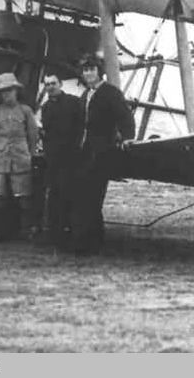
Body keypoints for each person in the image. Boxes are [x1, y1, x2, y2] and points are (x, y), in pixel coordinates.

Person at [70, 55, 135, 255]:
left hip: (102, 152)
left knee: (93, 196)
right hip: (84, 152)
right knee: (83, 196)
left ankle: (89, 243)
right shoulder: (86, 95)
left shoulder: (110, 93)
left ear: (99, 71)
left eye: (92, 70)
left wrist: (128, 137)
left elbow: (125, 116)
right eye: (85, 70)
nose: (88, 74)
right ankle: (91, 240)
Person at [0, 72, 38, 243]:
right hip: (1, 158)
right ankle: (1, 232)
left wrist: (27, 153)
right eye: (3, 91)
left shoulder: (26, 111)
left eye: (9, 90)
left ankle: (25, 231)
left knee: (23, 196)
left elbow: (32, 135)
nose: (6, 94)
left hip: (21, 157)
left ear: (16, 90)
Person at [39, 73, 83, 246]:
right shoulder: (46, 107)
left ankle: (70, 230)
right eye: (47, 84)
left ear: (61, 83)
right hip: (53, 158)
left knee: (70, 193)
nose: (50, 87)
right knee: (54, 193)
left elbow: (80, 127)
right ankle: (55, 231)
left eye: (53, 83)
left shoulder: (73, 102)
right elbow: (47, 132)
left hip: (71, 156)